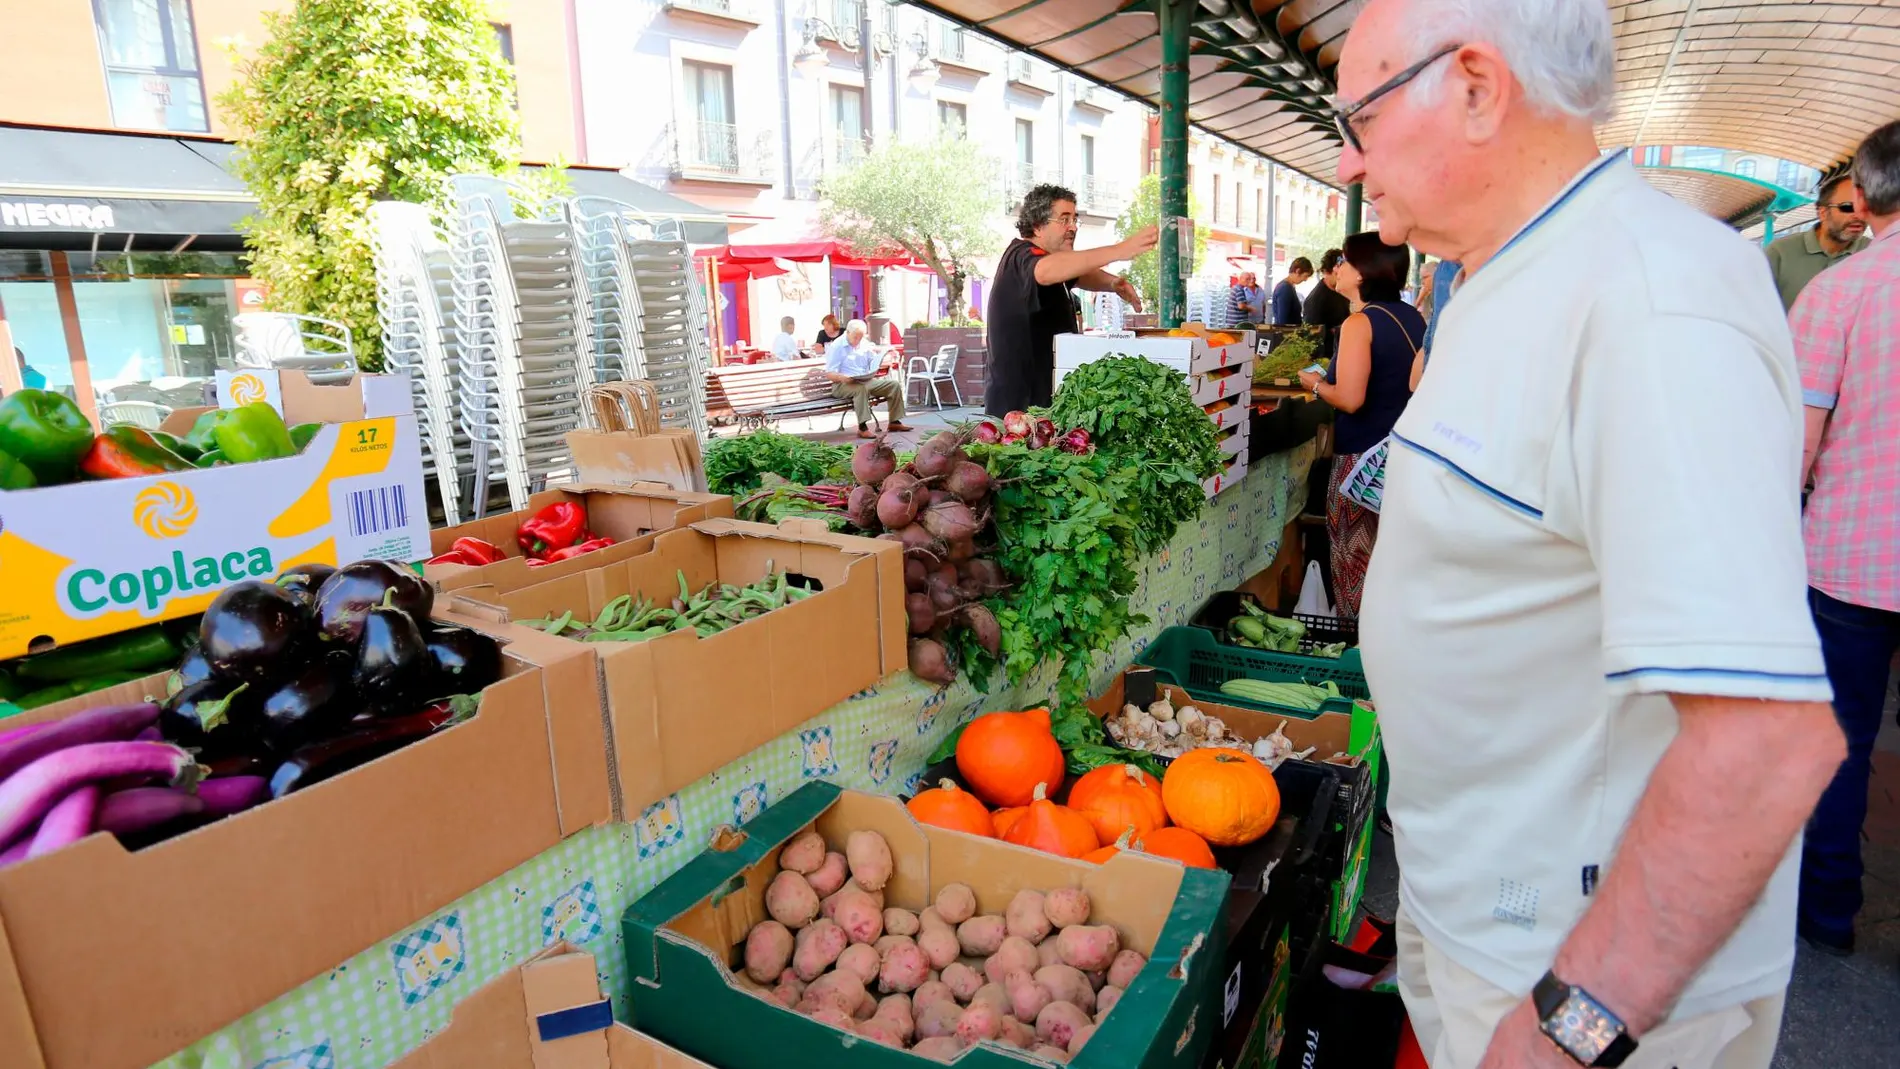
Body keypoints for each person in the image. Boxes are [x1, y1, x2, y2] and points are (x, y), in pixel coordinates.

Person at [1337, 3, 1846, 1068]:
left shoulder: (1651, 301)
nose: (1350, 161)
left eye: (1362, 118)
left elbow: (1761, 743)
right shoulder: (1503, 275)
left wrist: (1571, 1025)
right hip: (1485, 910)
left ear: (1475, 88)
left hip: (1573, 978)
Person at [1787, 119, 1900, 960]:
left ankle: (1828, 914)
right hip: (1855, 561)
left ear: (1860, 198)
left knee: (1840, 739)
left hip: (1853, 563)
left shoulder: (1839, 292)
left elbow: (1799, 445)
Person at [1298, 233, 1422, 619]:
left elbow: (1350, 398)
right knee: (1394, 566)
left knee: (1356, 564)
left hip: (1360, 466)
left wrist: (1315, 384)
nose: (1339, 269)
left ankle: (1358, 656)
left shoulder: (1359, 322)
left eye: (1346, 263)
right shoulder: (1412, 317)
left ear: (1365, 273)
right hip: (1402, 456)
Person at [984, 184, 1155, 416]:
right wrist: (1118, 250)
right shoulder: (1022, 255)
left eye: (1075, 219)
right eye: (1064, 219)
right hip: (1019, 410)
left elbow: (1078, 273)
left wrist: (1111, 283)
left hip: (1045, 404)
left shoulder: (1052, 260)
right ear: (1037, 225)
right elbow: (1045, 271)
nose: (1073, 227)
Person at [1765, 174, 1869, 311]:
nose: (1859, 215)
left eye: (1866, 208)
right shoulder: (1780, 253)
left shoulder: (1875, 254)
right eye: (1847, 207)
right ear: (1823, 213)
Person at [824, 319, 910, 438]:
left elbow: (872, 360)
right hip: (842, 385)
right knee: (860, 389)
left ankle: (894, 422)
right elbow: (829, 373)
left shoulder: (864, 343)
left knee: (893, 385)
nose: (858, 341)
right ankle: (862, 427)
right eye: (856, 337)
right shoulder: (837, 346)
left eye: (861, 337)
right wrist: (842, 377)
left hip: (864, 380)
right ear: (848, 332)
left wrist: (884, 359)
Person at [1302, 248, 1353, 360]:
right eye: (1337, 274)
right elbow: (1312, 340)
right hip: (1327, 358)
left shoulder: (1341, 292)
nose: (1340, 277)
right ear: (1326, 272)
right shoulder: (1316, 300)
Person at [1271, 259, 1312, 325]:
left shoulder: (1289, 286)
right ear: (1298, 271)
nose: (1305, 280)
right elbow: (1283, 321)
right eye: (1305, 276)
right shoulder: (1285, 288)